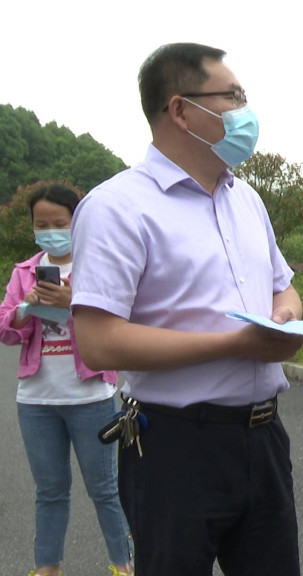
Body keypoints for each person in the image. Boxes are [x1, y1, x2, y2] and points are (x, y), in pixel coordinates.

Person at [70, 43, 303, 576]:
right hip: (174, 446)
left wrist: (285, 319)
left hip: (264, 436)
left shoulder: (245, 199)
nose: (245, 110)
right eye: (233, 96)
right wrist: (235, 344)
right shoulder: (116, 208)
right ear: (180, 110)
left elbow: (284, 289)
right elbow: (99, 342)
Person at [0, 183, 133, 576]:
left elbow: (116, 324)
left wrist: (71, 303)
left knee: (104, 489)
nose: (50, 231)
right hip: (36, 400)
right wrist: (26, 308)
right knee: (49, 491)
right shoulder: (23, 272)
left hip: (91, 397)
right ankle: (47, 568)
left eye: (59, 223)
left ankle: (123, 564)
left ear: (77, 223)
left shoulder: (95, 267)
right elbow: (6, 329)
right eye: (41, 224)